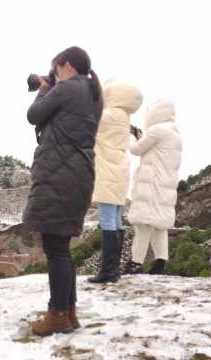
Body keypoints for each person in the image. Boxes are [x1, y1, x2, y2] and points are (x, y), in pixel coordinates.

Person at [21, 46, 103, 337]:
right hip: (78, 175)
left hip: (60, 175)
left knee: (55, 250)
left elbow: (34, 115)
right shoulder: (92, 94)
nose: (53, 74)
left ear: (66, 66)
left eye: (55, 69)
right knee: (61, 248)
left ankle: (57, 314)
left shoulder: (67, 89)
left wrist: (43, 89)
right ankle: (68, 312)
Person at [88, 79, 143, 284]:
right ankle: (114, 269)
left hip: (107, 173)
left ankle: (108, 270)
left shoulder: (109, 115)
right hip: (119, 172)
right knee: (117, 221)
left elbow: (86, 119)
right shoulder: (124, 116)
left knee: (108, 221)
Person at [123, 98, 183, 275]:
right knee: (159, 226)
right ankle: (160, 264)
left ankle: (136, 263)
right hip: (165, 186)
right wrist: (141, 136)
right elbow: (155, 149)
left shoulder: (157, 130)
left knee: (143, 225)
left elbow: (136, 150)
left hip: (152, 186)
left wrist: (130, 136)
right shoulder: (175, 133)